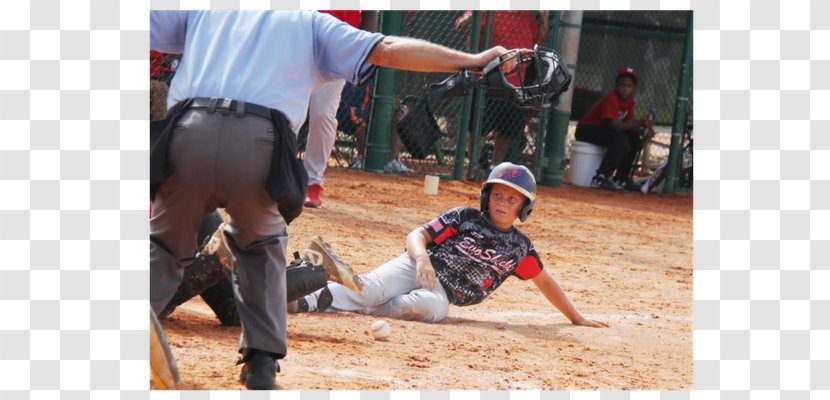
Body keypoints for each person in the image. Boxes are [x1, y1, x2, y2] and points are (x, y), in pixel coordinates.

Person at [150, 10, 524, 390]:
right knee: (261, 247)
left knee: (164, 245)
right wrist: (473, 59)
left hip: (187, 132)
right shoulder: (311, 22)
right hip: (258, 140)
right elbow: (389, 49)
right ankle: (260, 364)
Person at [289, 162, 608, 330]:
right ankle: (299, 296)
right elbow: (418, 235)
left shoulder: (519, 248)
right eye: (497, 195)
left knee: (428, 308)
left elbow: (545, 281)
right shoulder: (465, 217)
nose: (501, 203)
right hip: (419, 266)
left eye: (511, 199)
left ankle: (331, 293)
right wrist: (422, 260)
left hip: (441, 292)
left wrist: (575, 317)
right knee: (370, 288)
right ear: (487, 196)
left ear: (524, 208)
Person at [455, 11, 548, 171]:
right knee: (480, 126)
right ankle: (473, 165)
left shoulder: (528, 16)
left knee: (508, 130)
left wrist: (545, 19)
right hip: (488, 77)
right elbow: (461, 28)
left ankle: (495, 166)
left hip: (516, 82)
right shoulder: (489, 9)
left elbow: (538, 43)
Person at [303, 11, 377, 208]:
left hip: (337, 50)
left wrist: (362, 52)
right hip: (299, 42)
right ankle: (274, 177)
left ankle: (312, 183)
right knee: (284, 111)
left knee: (322, 113)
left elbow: (370, 13)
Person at [574, 67, 655, 190]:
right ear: (616, 85)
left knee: (634, 140)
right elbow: (614, 125)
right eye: (622, 84)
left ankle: (621, 178)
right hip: (586, 129)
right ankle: (600, 177)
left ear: (633, 89)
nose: (625, 89)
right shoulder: (611, 98)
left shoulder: (629, 101)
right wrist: (640, 122)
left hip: (604, 130)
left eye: (629, 86)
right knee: (620, 140)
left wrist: (643, 130)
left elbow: (627, 124)